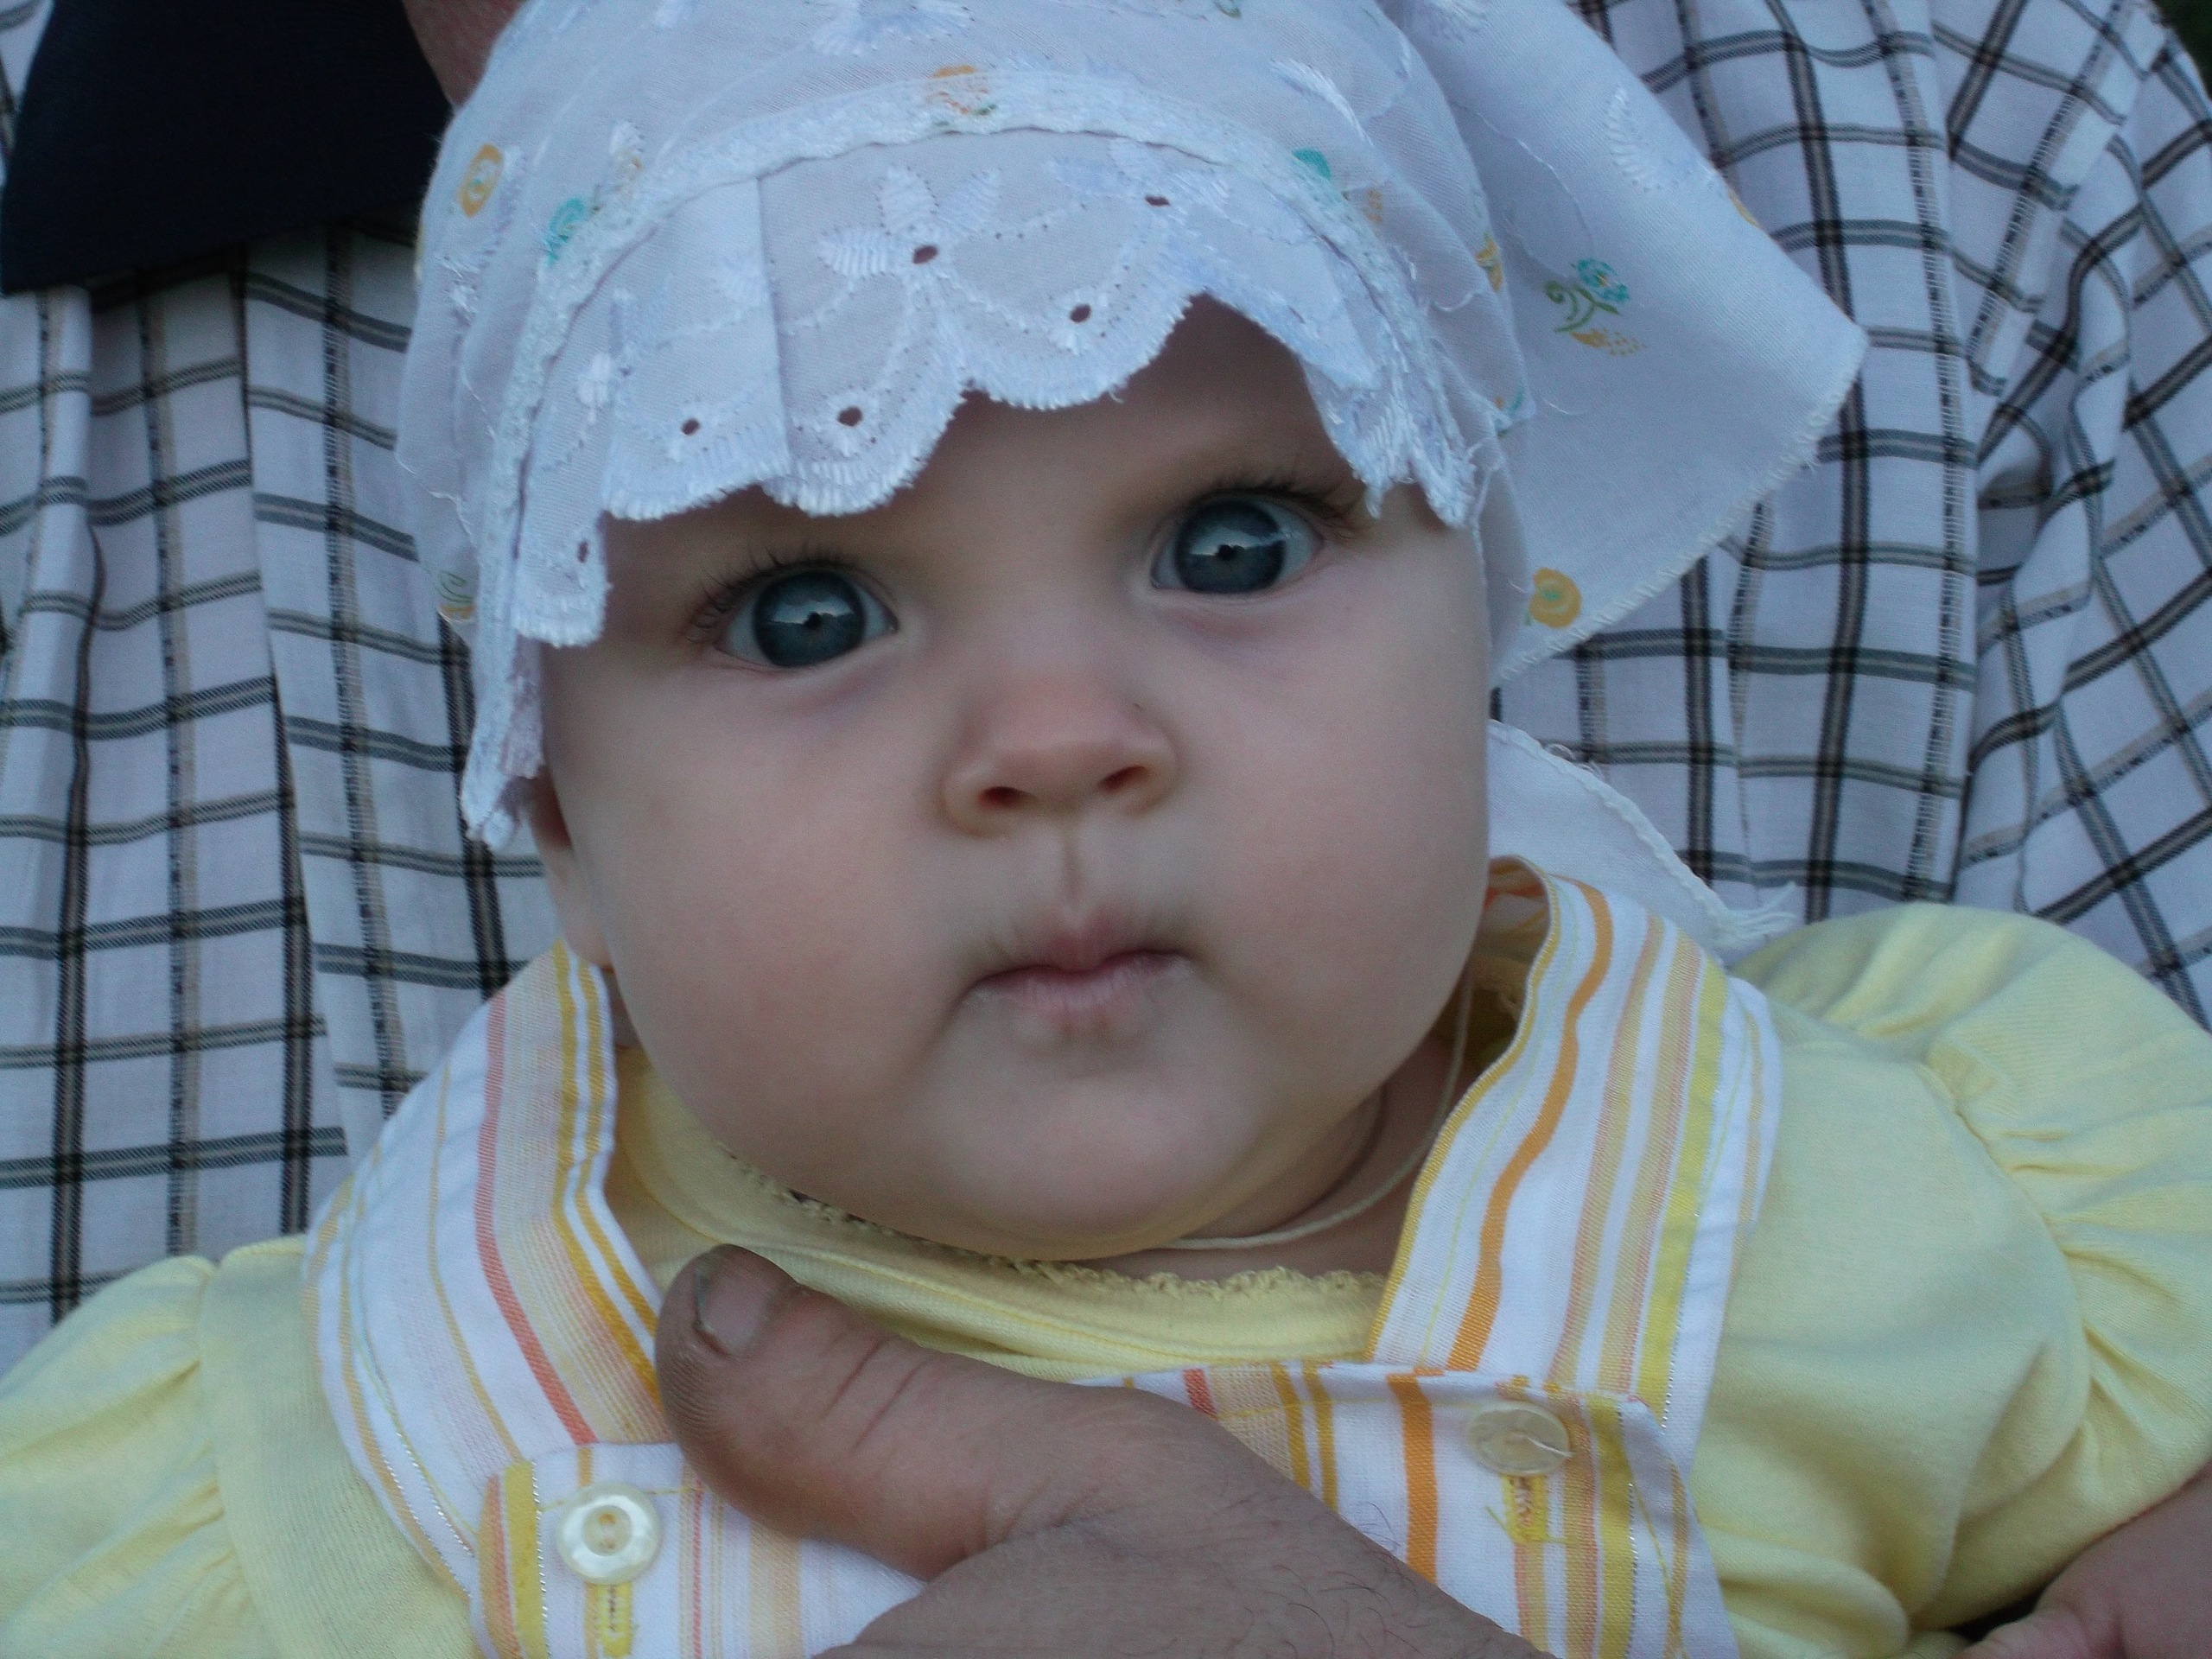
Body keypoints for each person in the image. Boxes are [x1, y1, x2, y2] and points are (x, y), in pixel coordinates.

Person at [4, 2, 2208, 1656]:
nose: (1058, 741)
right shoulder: (300, 1465)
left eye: (1232, 545)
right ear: (555, 815)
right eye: (804, 612)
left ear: (1480, 621)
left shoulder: (1913, 1187)